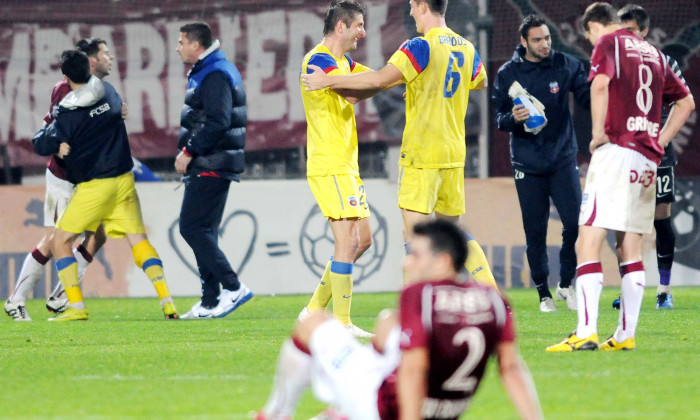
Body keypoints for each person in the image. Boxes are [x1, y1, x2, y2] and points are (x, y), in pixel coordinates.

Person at [301, 0, 499, 291]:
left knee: (416, 239)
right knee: (452, 233)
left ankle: (415, 312)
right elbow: (479, 81)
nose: (409, 12)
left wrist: (326, 82)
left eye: (411, 6)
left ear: (421, 5)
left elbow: (380, 79)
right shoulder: (465, 46)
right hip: (454, 154)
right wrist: (423, 84)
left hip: (422, 153)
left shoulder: (419, 46)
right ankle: (494, 297)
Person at [257, 220, 543, 420]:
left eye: (416, 255)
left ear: (442, 261)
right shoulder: (495, 301)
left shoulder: (419, 294)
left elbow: (413, 371)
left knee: (313, 324)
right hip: (444, 412)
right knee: (388, 323)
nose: (407, 263)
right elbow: (511, 369)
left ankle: (276, 414)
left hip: (380, 408)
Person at [546, 2, 693, 352]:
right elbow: (686, 103)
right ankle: (625, 336)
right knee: (629, 246)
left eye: (590, 34)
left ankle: (585, 332)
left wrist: (597, 133)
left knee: (588, 241)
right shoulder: (655, 55)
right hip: (646, 159)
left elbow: (599, 86)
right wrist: (660, 140)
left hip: (616, 151)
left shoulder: (608, 43)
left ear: (595, 26)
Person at [32, 50, 179, 321]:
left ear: (65, 77)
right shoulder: (109, 93)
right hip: (124, 181)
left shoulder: (67, 114)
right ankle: (167, 301)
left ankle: (76, 307)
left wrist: (55, 143)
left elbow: (40, 142)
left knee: (61, 241)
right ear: (89, 68)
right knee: (138, 241)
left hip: (95, 186)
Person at [4, 38, 116, 321]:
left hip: (86, 178)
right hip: (63, 177)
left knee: (98, 235)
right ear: (91, 61)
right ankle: (16, 300)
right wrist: (56, 144)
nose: (110, 58)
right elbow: (50, 127)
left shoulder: (101, 91)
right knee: (55, 238)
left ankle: (60, 295)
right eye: (105, 54)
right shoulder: (64, 90)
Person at [493, 15, 590, 312]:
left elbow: (587, 98)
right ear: (524, 42)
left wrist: (601, 88)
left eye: (547, 37)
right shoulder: (508, 74)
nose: (545, 44)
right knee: (535, 231)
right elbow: (499, 119)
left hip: (562, 159)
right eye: (537, 39)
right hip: (528, 165)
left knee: (575, 224)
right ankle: (544, 293)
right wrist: (514, 119)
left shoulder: (565, 64)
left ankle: (565, 285)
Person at [296, 1, 377, 338]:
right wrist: (377, 83)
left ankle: (313, 310)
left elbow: (373, 81)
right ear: (341, 27)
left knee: (364, 241)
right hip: (329, 163)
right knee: (347, 240)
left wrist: (387, 79)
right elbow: (352, 92)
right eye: (359, 25)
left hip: (346, 165)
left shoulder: (343, 63)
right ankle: (341, 324)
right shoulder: (319, 60)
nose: (363, 31)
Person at [611, 4, 692, 310]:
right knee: (625, 221)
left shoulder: (663, 61)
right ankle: (629, 288)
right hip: (626, 153)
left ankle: (663, 290)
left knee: (661, 219)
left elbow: (684, 102)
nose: (626, 38)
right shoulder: (615, 63)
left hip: (658, 154)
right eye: (622, 32)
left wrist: (661, 141)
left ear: (645, 32)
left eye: (631, 31)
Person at [175, 22, 253, 319]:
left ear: (196, 45)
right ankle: (210, 300)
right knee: (203, 230)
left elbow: (218, 121)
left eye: (181, 41)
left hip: (212, 162)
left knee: (191, 228)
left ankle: (233, 288)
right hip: (215, 161)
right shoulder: (213, 69)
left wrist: (189, 151)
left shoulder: (214, 73)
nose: (178, 47)